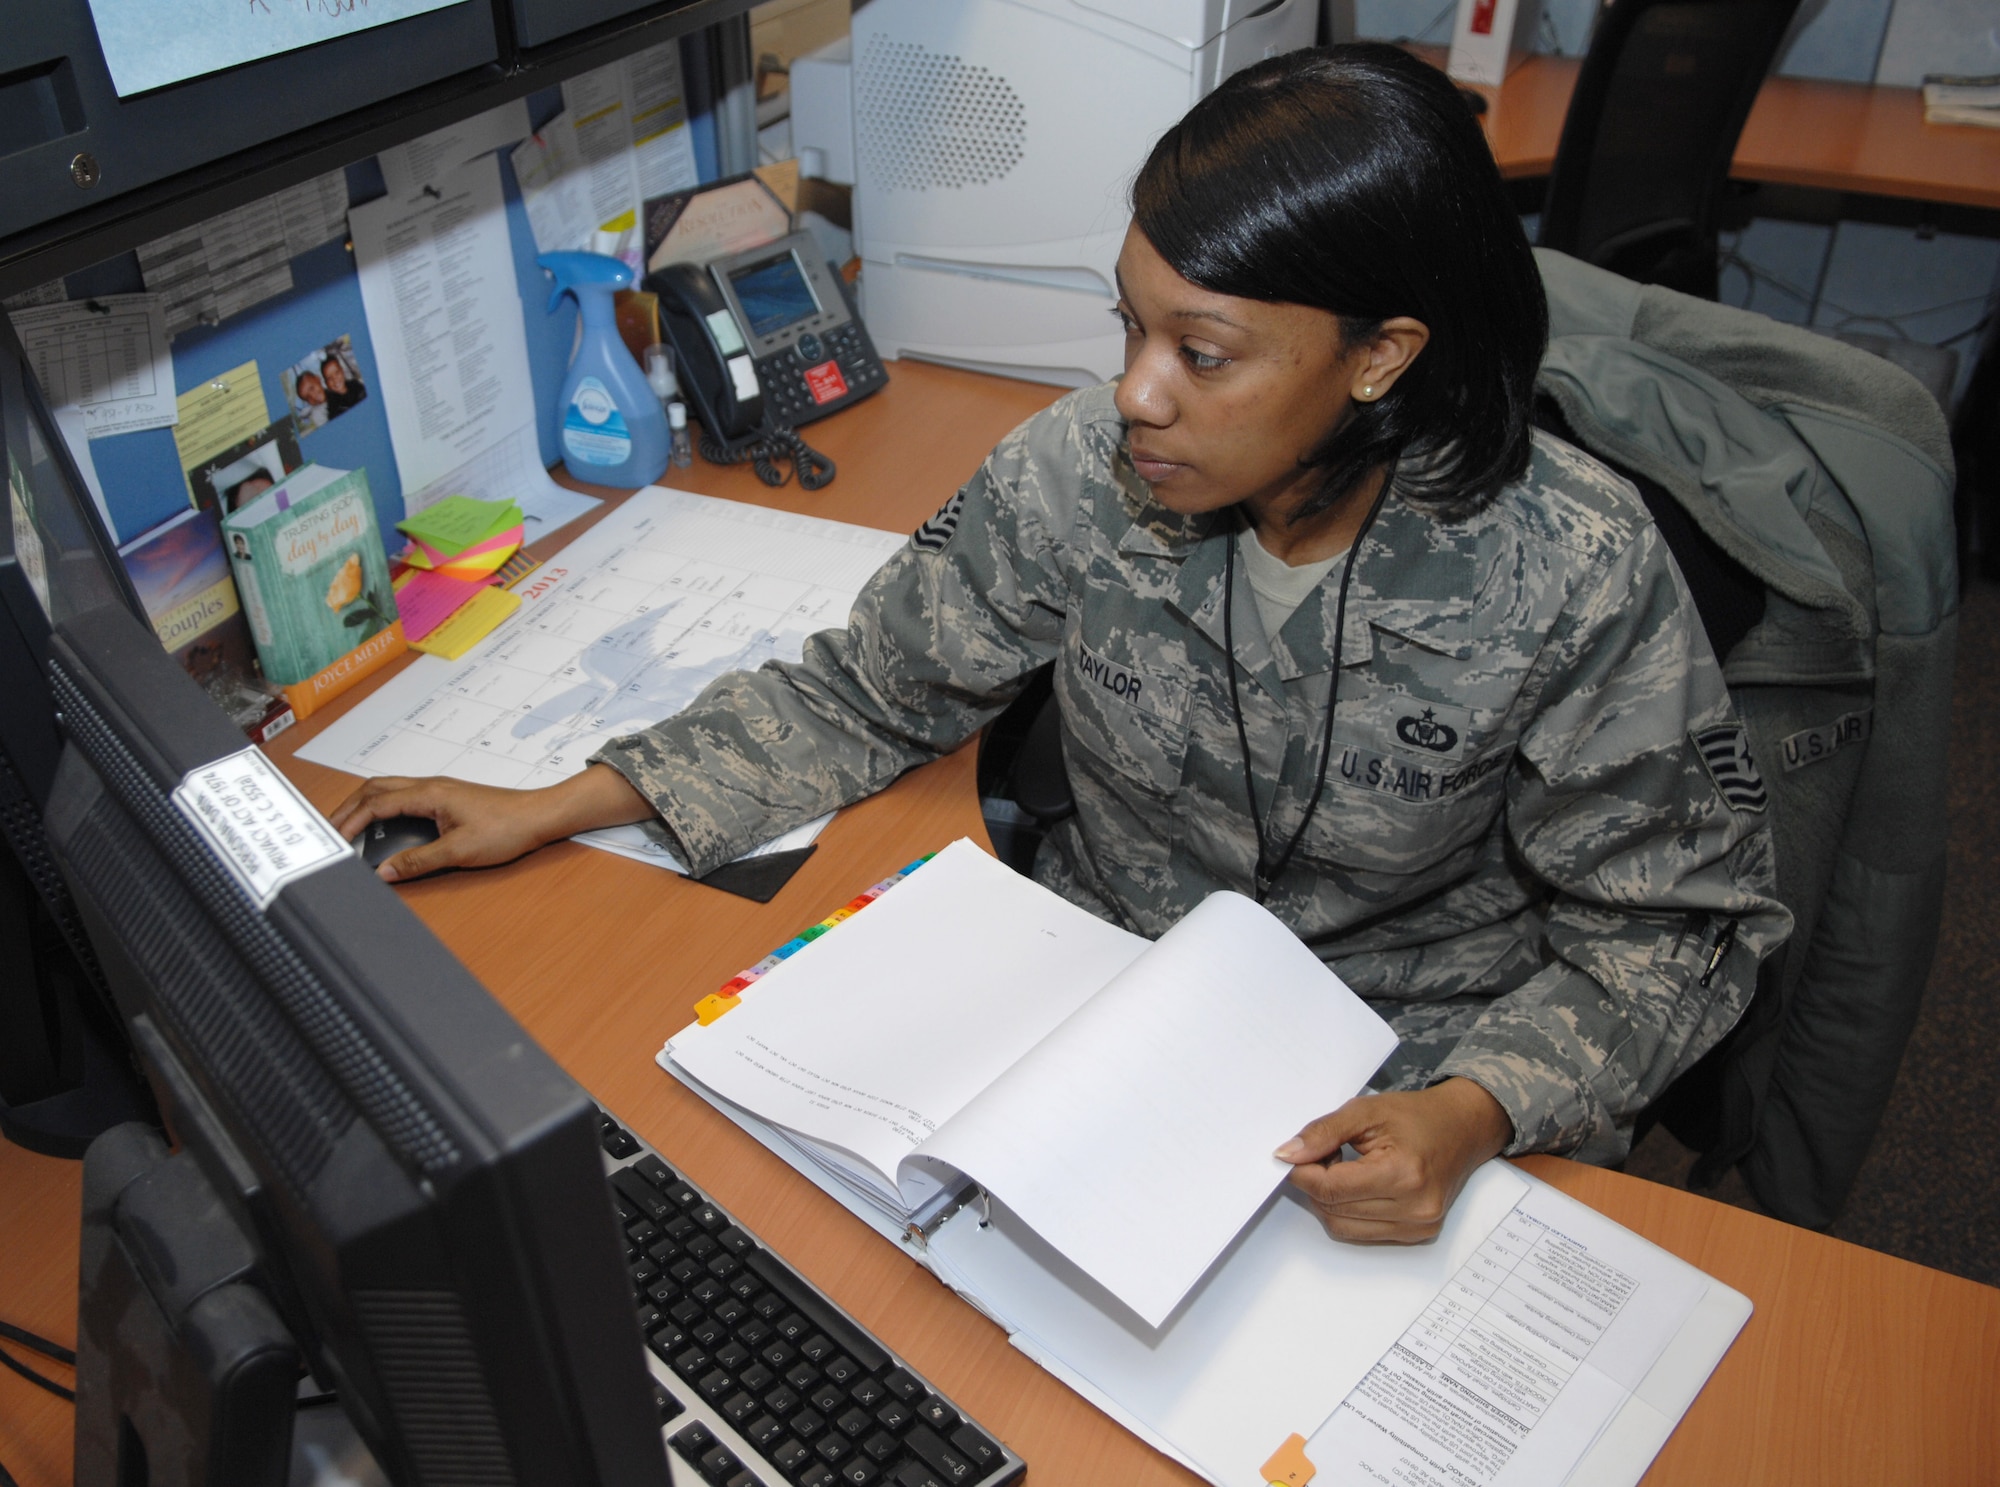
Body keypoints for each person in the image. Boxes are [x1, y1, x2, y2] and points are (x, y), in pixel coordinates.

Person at [332, 46, 1788, 1244]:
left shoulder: (1570, 566)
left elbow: (1676, 927)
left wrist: (1471, 1112)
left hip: (1398, 1057)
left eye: (1200, 354)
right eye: (1129, 327)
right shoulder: (1084, 467)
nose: (1134, 393)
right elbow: (871, 690)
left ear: (1380, 355)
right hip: (1095, 987)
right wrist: (567, 799)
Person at [322, 352, 367, 417]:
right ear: (326, 383)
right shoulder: (333, 408)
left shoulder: (356, 386)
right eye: (329, 378)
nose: (335, 379)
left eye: (337, 372)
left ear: (342, 371)